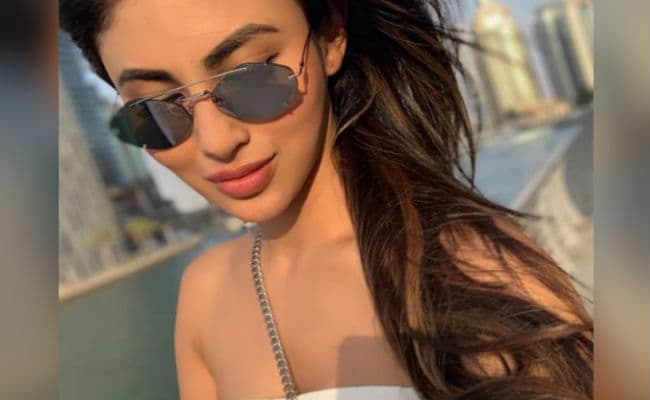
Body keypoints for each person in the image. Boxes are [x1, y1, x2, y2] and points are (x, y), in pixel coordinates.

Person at [59, 0, 593, 399]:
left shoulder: (476, 273)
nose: (216, 141)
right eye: (155, 109)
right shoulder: (204, 296)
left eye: (251, 78)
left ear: (331, 35)